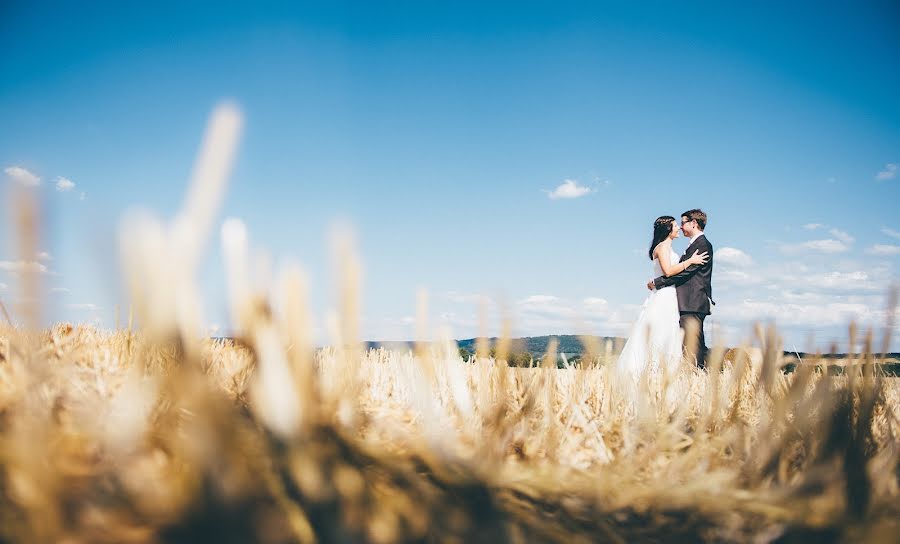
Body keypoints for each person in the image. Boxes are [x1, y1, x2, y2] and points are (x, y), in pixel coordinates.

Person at [615, 215, 708, 377]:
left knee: (669, 330)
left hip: (670, 293)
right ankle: (653, 369)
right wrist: (691, 261)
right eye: (675, 225)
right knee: (661, 330)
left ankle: (666, 370)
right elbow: (669, 271)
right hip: (664, 295)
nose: (678, 227)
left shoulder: (668, 247)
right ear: (668, 229)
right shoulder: (663, 247)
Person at [647, 209, 714, 368]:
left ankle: (700, 379)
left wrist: (658, 283)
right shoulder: (690, 246)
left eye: (682, 223)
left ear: (694, 223)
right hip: (684, 302)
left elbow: (686, 273)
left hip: (692, 302)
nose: (681, 227)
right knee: (688, 346)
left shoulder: (703, 245)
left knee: (693, 347)